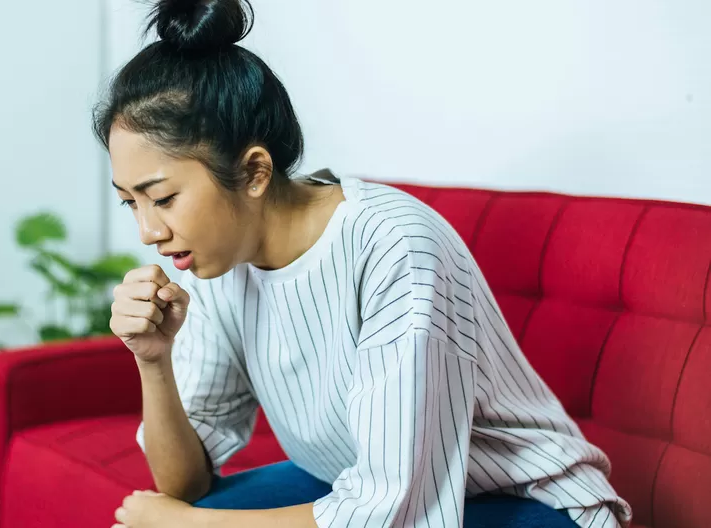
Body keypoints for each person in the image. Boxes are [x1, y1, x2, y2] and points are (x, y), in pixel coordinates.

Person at [94, 1, 633, 527]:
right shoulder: (214, 258)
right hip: (357, 483)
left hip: (524, 500)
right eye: (130, 202)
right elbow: (183, 484)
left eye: (162, 198)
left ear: (255, 172)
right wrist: (153, 359)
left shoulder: (393, 246)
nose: (149, 232)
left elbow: (391, 509)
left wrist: (192, 526)